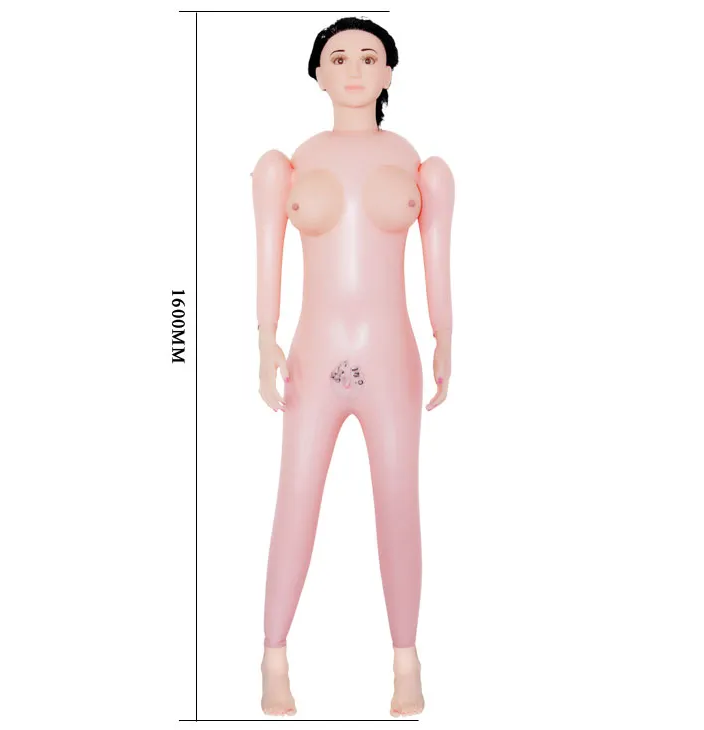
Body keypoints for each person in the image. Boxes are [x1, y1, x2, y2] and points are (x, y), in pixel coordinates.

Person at [251, 15, 454, 718]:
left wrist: (446, 337)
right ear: (318, 74)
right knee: (295, 497)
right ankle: (273, 658)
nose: (355, 69)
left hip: (392, 359)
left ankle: (407, 663)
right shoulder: (289, 165)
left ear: (389, 72)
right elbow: (268, 257)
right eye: (338, 58)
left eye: (369, 57)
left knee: (398, 500)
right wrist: (263, 340)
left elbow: (436, 263)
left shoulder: (418, 164)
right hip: (312, 358)